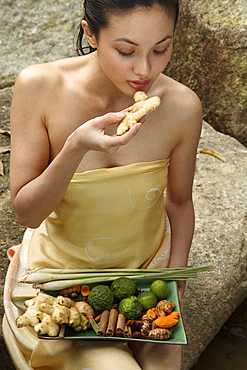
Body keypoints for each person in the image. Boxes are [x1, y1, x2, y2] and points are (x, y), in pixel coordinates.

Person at [3, 0, 202, 369]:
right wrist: (75, 146)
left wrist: (176, 288)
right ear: (90, 34)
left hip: (143, 279)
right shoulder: (40, 88)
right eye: (126, 51)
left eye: (161, 49)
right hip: (63, 284)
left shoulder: (182, 106)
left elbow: (178, 203)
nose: (145, 69)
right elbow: (27, 212)